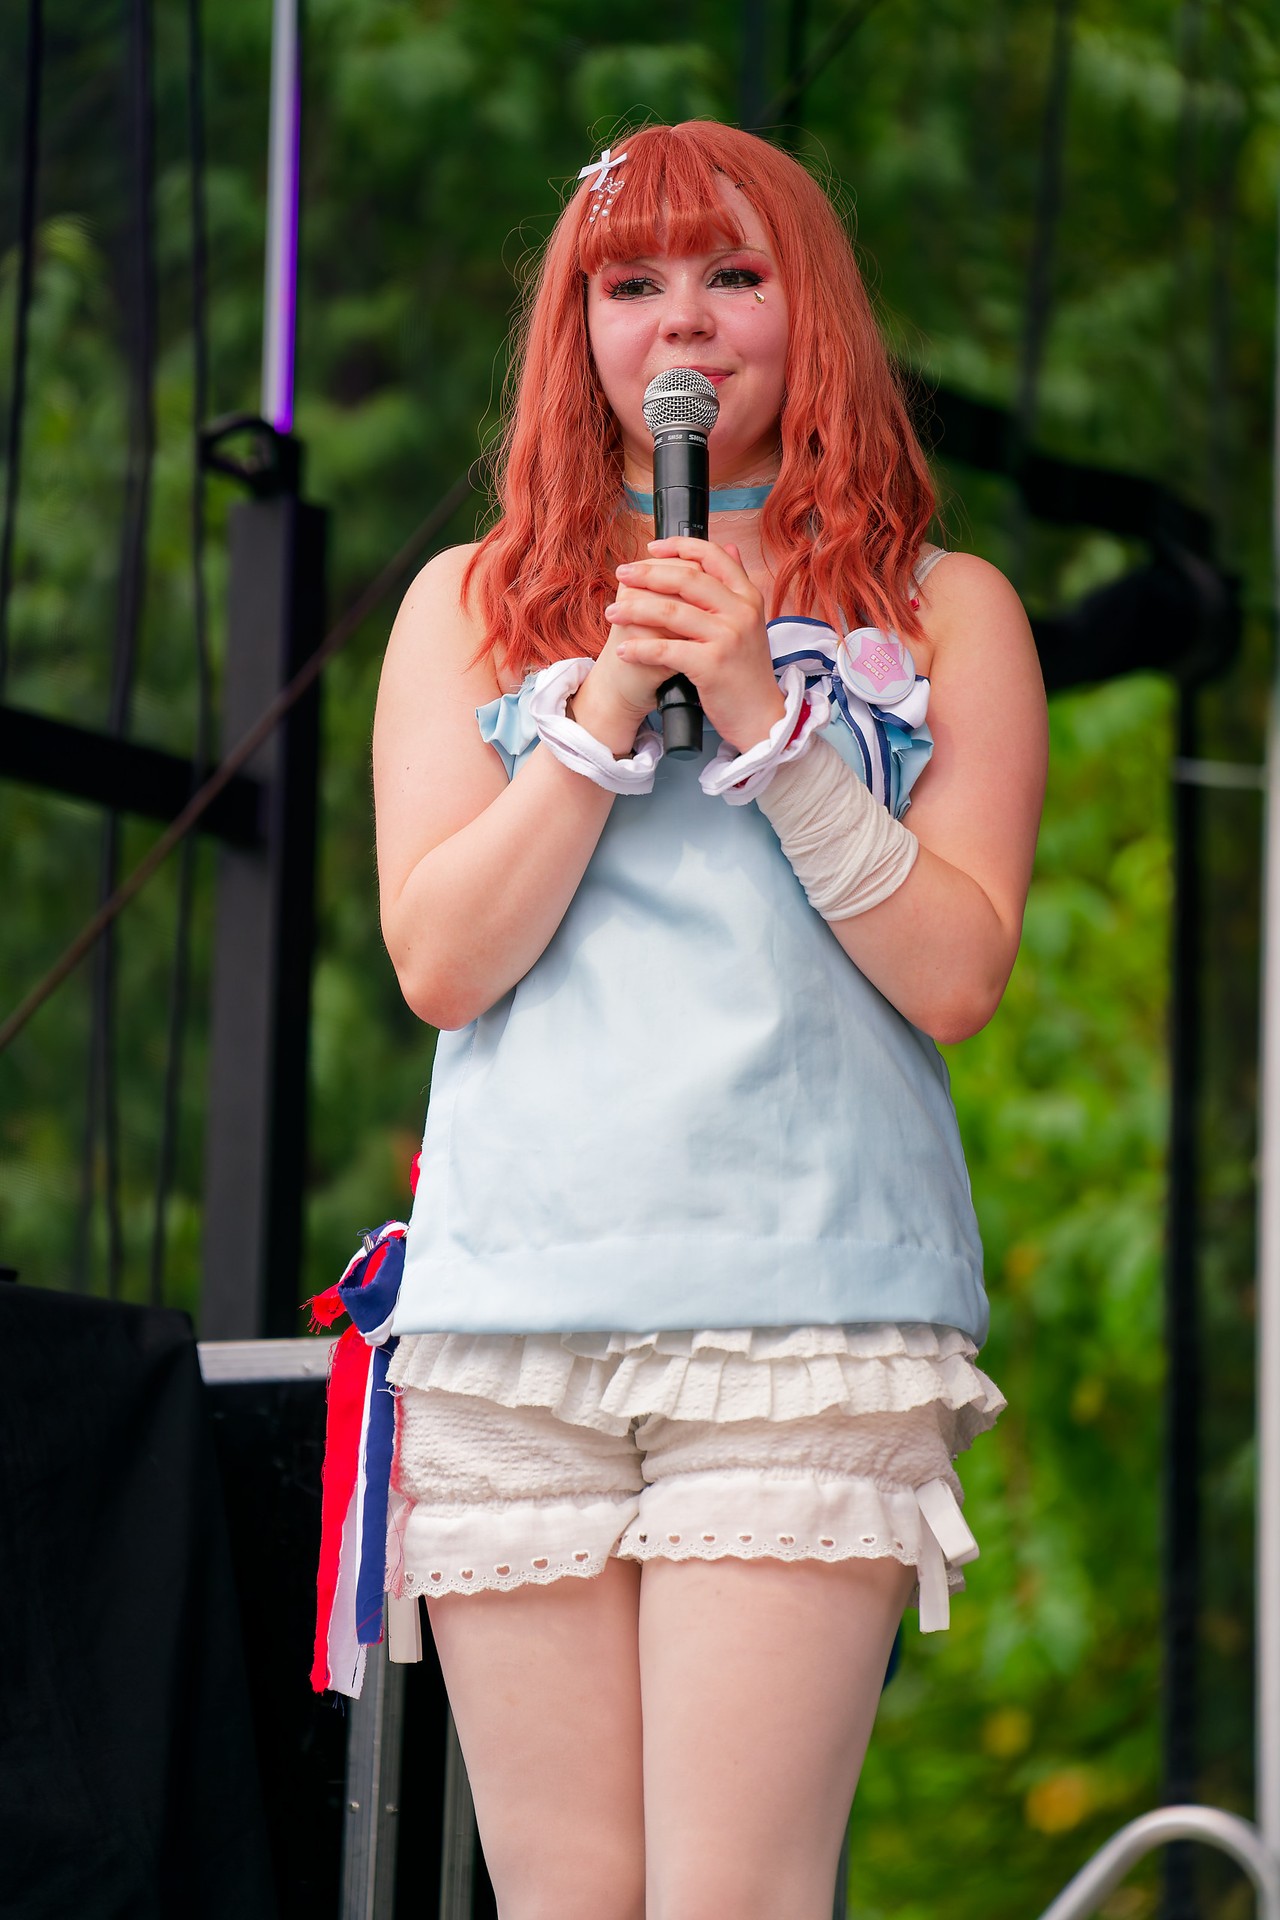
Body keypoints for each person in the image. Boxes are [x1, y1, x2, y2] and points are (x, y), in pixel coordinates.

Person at [371, 120, 1047, 1920]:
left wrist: (764, 708)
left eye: (734, 274)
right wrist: (603, 700)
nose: (682, 321)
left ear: (809, 307)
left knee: (732, 1897)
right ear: (577, 329)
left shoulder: (945, 612)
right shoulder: (468, 606)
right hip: (516, 1326)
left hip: (799, 1315)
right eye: (632, 283)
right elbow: (441, 962)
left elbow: (959, 973)